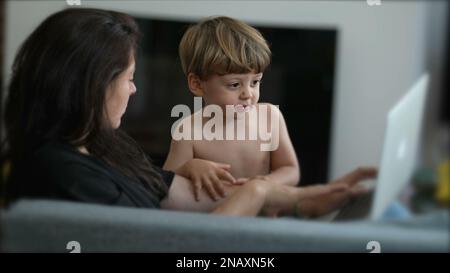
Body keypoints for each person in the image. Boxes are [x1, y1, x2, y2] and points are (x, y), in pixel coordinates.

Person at [1, 8, 375, 219]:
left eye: (255, 82)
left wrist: (308, 197)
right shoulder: (62, 173)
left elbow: (174, 191)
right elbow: (177, 242)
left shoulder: (100, 149)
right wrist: (258, 192)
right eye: (129, 78)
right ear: (91, 85)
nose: (134, 89)